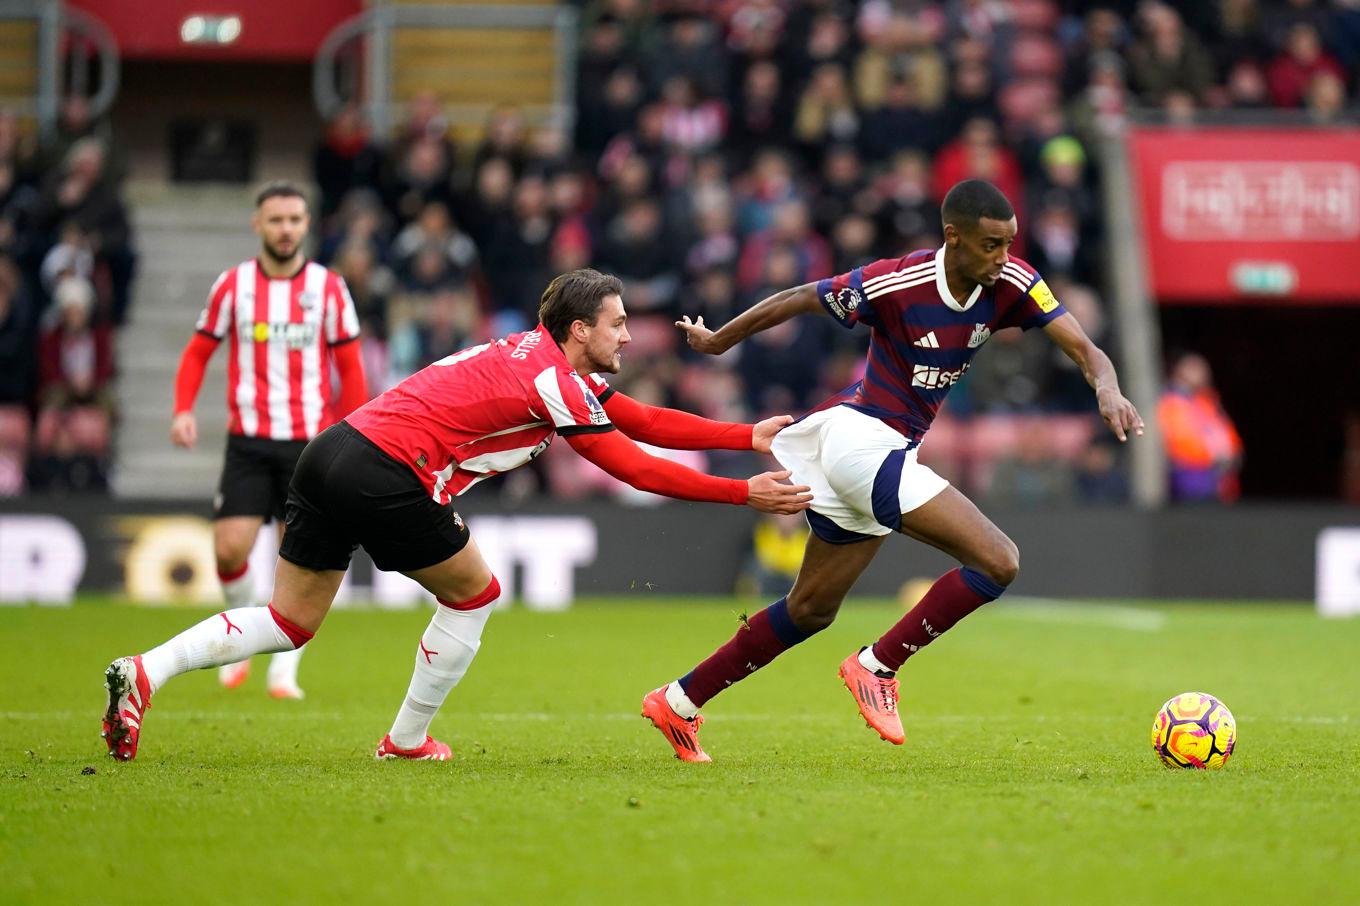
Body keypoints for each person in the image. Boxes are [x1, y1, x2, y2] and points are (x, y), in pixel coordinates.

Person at [102, 268, 811, 762]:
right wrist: (742, 492)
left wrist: (740, 439)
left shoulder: (541, 360)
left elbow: (640, 418)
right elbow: (629, 463)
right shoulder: (554, 382)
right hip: (388, 471)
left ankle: (147, 670)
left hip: (332, 451)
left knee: (290, 622)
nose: (629, 337)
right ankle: (406, 741)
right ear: (577, 330)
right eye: (618, 324)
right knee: (476, 595)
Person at [641, 179, 1144, 762]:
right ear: (952, 237)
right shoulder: (897, 282)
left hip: (884, 452)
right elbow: (804, 296)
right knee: (998, 560)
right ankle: (876, 666)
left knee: (809, 610)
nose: (1002, 257)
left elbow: (1084, 347)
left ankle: (678, 701)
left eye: (1009, 243)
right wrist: (720, 341)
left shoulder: (1012, 282)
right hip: (859, 438)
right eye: (989, 245)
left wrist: (1107, 388)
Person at [168, 181, 368, 700]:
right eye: (276, 220)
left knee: (295, 561)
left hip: (310, 446)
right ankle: (237, 638)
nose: (285, 229)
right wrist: (183, 410)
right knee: (229, 548)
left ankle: (283, 672)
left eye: (295, 220)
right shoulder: (233, 286)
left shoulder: (328, 288)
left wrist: (356, 434)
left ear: (307, 225)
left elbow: (350, 369)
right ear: (258, 225)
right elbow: (196, 352)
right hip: (249, 441)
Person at [1157, 352, 1241, 503]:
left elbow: (1227, 436)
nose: (1202, 373)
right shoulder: (1172, 402)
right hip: (1189, 479)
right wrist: (1213, 457)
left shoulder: (1208, 401)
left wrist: (1231, 455)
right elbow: (1180, 442)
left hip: (1220, 481)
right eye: (1194, 368)